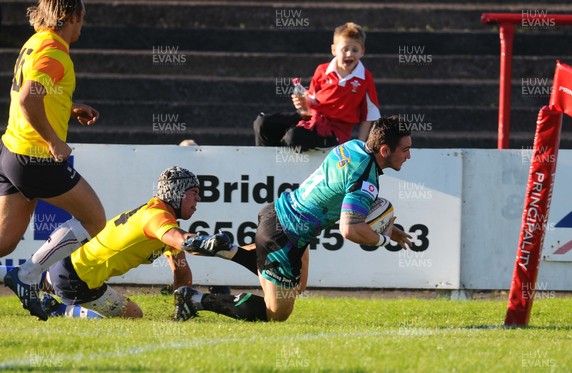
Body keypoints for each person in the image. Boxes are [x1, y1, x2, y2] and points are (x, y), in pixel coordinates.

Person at [174, 115, 413, 322]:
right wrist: (382, 239)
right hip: (285, 234)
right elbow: (349, 229)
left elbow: (349, 204)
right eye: (405, 150)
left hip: (278, 214)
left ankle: (227, 249)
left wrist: (391, 230)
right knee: (277, 313)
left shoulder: (354, 146)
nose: (409, 156)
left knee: (298, 286)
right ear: (384, 150)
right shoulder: (365, 180)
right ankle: (195, 299)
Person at [1, 0, 106, 320]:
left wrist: (70, 108)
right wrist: (53, 141)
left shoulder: (37, 41)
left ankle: (26, 274)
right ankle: (28, 275)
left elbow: (37, 92)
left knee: (4, 242)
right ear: (70, 17)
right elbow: (28, 97)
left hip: (11, 152)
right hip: (37, 157)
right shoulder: (55, 52)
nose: (82, 26)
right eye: (81, 19)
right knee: (95, 220)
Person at [35, 166, 235, 318]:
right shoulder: (157, 217)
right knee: (133, 316)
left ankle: (47, 291)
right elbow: (182, 241)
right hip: (77, 278)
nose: (198, 199)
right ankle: (59, 310)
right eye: (194, 192)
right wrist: (205, 241)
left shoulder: (160, 217)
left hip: (70, 266)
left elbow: (181, 271)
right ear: (178, 192)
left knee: (27, 276)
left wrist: (182, 306)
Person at [253, 22, 380, 152]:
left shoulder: (365, 78)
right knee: (263, 123)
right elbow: (310, 103)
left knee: (295, 137)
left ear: (362, 52)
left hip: (335, 132)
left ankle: (279, 163)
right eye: (345, 49)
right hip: (310, 118)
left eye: (355, 50)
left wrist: (361, 146)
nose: (349, 54)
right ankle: (263, 165)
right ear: (334, 50)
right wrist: (303, 101)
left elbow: (370, 114)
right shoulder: (322, 70)